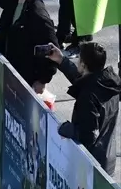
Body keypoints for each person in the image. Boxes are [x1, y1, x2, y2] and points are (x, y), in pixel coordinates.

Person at [48, 41, 120, 174]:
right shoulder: (109, 84)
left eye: (79, 58)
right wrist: (61, 60)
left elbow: (87, 136)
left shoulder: (88, 96)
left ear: (83, 64)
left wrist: (66, 129)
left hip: (90, 167)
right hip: (107, 160)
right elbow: (82, 80)